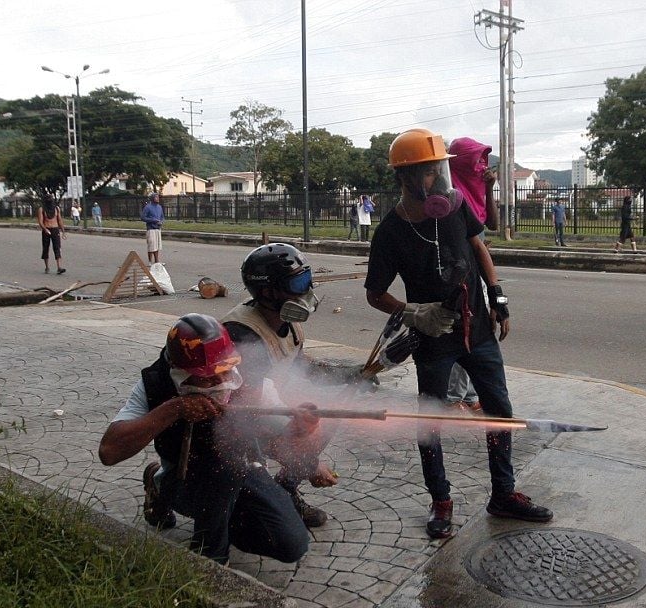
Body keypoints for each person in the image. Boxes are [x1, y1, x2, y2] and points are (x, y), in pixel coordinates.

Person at [364, 127, 552, 540]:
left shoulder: (455, 206)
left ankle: (503, 493)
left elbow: (478, 245)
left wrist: (498, 295)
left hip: (478, 330)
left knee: (500, 412)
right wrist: (413, 311)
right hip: (433, 340)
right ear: (406, 178)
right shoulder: (390, 232)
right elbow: (374, 294)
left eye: (439, 171)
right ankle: (440, 499)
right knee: (430, 419)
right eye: (428, 173)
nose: (438, 181)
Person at [99, 313, 331, 566]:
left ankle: (223, 519)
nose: (221, 382)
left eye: (224, 371)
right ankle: (208, 557)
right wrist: (174, 409)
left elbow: (278, 441)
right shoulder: (156, 383)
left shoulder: (249, 383)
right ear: (181, 370)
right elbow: (109, 451)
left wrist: (300, 433)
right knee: (224, 468)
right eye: (207, 377)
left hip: (244, 471)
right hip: (186, 476)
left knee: (290, 544)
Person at [220, 243, 343, 528]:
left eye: (308, 279)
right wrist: (309, 460)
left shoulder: (286, 322)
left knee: (329, 415)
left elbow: (297, 370)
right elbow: (251, 409)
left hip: (268, 410)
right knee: (278, 533)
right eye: (298, 283)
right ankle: (164, 481)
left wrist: (351, 375)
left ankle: (285, 491)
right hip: (236, 427)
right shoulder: (243, 334)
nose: (307, 290)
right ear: (267, 292)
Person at [445, 136, 500, 413]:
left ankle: (468, 394)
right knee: (463, 330)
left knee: (478, 331)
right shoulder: (450, 192)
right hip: (458, 273)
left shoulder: (477, 186)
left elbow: (492, 223)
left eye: (484, 160)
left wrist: (489, 189)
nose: (482, 166)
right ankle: (456, 397)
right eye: (477, 159)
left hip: (477, 268)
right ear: (463, 161)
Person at [37, 195, 66, 274]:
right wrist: (45, 229)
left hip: (55, 229)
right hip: (46, 230)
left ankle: (59, 267)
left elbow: (60, 220)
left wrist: (63, 231)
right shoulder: (41, 209)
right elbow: (40, 221)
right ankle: (47, 267)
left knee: (57, 248)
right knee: (45, 248)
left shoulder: (56, 209)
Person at [142, 193, 164, 264]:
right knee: (151, 245)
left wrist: (161, 222)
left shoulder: (159, 207)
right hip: (151, 229)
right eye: (156, 197)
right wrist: (153, 220)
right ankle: (150, 261)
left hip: (158, 228)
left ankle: (157, 261)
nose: (158, 198)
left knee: (157, 245)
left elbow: (162, 217)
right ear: (152, 198)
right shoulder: (148, 207)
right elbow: (143, 217)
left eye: (158, 197)